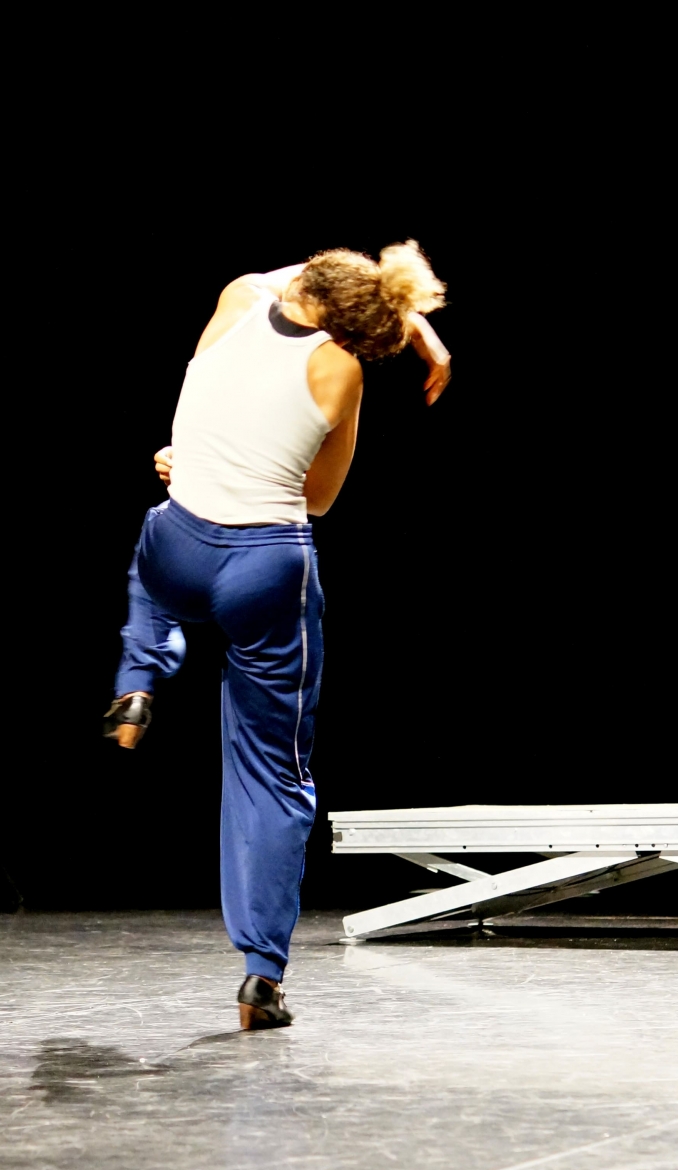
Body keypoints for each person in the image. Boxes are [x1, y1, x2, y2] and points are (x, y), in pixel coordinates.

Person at [104, 243, 452, 1029]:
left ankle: (139, 680)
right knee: (273, 770)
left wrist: (202, 461)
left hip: (180, 544)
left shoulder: (237, 300)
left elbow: (297, 277)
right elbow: (319, 497)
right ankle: (262, 976)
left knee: (155, 557)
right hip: (265, 568)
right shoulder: (342, 370)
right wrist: (416, 333)